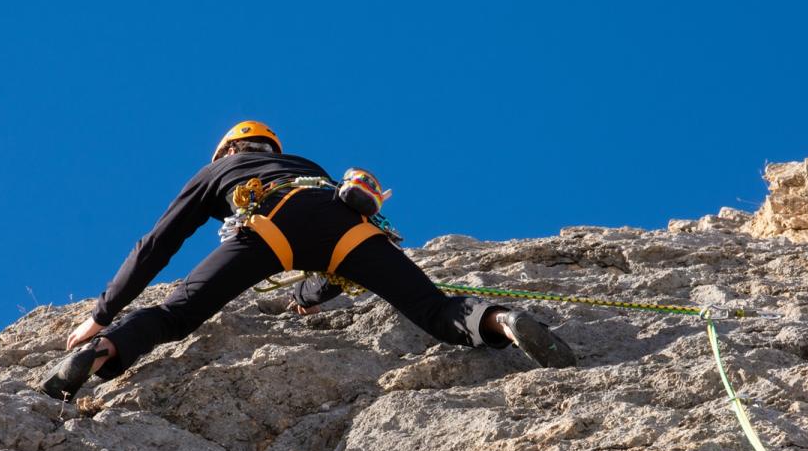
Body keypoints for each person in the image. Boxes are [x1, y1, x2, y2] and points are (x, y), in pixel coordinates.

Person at [40, 120, 576, 400]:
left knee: (177, 315)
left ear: (228, 152)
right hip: (345, 221)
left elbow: (155, 246)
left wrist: (104, 311)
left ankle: (104, 352)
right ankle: (502, 322)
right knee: (436, 312)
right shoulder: (302, 163)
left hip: (269, 222)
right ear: (272, 147)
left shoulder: (216, 174)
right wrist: (308, 297)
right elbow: (331, 268)